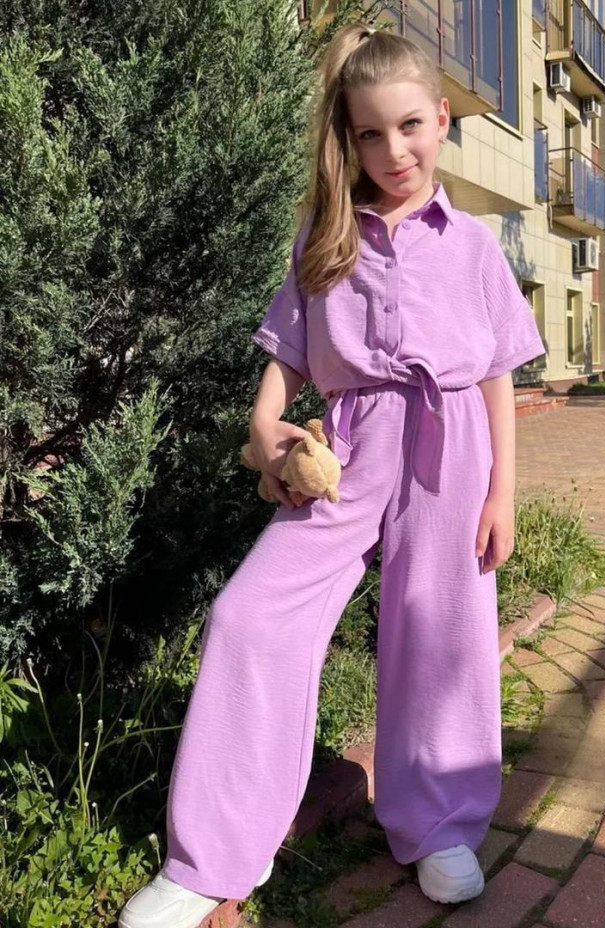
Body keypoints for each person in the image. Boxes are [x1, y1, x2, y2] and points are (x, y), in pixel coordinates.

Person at [118, 20, 546, 928]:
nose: (395, 151)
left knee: (442, 631)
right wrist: (263, 427)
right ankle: (210, 856)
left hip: (452, 446)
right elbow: (286, 353)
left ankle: (438, 828)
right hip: (347, 449)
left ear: (442, 119)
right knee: (250, 615)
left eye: (411, 126)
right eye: (370, 133)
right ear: (349, 139)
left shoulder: (473, 245)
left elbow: (498, 373)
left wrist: (503, 492)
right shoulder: (325, 234)